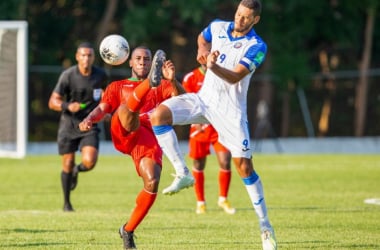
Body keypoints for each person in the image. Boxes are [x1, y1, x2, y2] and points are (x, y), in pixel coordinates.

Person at [150, 0, 277, 249]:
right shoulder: (218, 26)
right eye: (239, 14)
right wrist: (202, 51)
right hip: (204, 100)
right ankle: (183, 173)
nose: (239, 20)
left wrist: (212, 66)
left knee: (244, 169)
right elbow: (202, 37)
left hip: (230, 112)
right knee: (158, 115)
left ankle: (265, 227)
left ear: (255, 20)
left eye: (246, 17)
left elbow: (236, 77)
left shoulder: (257, 46)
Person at [78, 47, 194, 249]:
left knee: (152, 181)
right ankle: (147, 84)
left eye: (147, 60)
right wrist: (89, 118)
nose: (142, 62)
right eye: (138, 59)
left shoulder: (165, 84)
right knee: (125, 110)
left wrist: (173, 80)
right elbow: (103, 109)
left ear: (152, 64)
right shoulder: (117, 86)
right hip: (123, 129)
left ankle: (128, 230)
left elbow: (185, 102)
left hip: (148, 136)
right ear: (130, 63)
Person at [48, 42, 108, 212]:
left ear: (93, 57)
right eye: (83, 55)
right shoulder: (68, 75)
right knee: (67, 163)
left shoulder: (101, 75)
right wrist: (67, 106)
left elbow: (106, 96)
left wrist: (107, 110)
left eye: (89, 55)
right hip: (69, 125)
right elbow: (52, 102)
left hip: (90, 124)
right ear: (77, 57)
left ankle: (78, 169)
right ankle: (67, 203)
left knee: (89, 161)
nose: (86, 58)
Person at [182, 65, 235, 215]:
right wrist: (194, 118)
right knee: (199, 163)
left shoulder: (221, 75)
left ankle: (223, 199)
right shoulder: (191, 78)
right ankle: (200, 202)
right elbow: (185, 101)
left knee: (225, 160)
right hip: (199, 127)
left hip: (218, 126)